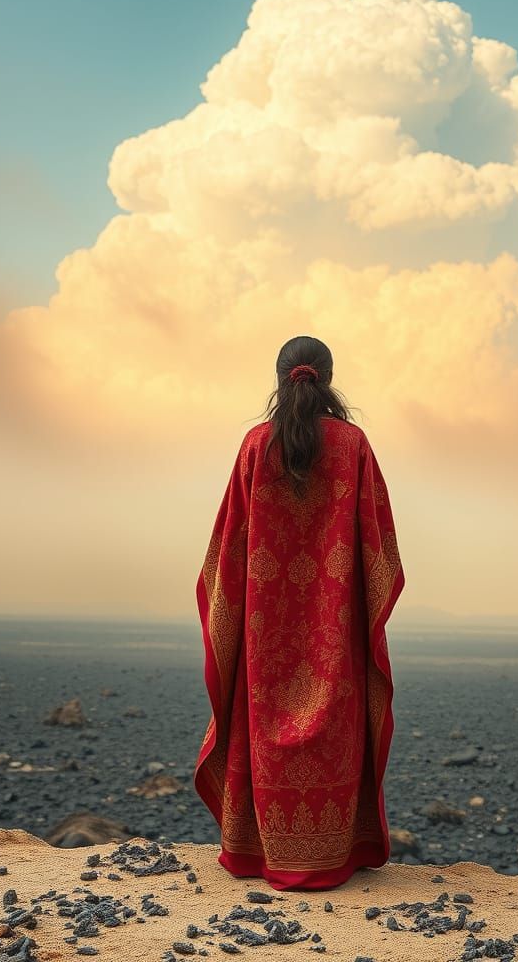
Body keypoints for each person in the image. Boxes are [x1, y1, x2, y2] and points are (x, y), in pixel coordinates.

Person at [193, 334, 405, 890]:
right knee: (335, 728)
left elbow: (226, 550)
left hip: (265, 634)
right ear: (328, 378)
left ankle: (256, 850)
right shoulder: (354, 445)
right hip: (333, 629)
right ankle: (333, 853)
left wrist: (232, 615)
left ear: (280, 377)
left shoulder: (254, 446)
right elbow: (380, 552)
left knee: (259, 730)